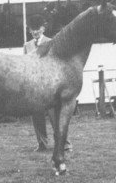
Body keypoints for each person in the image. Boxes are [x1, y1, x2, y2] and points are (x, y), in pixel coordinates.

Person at [24, 14, 72, 151]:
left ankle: (65, 144)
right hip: (35, 87)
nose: (35, 31)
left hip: (50, 86)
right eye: (32, 29)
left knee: (55, 117)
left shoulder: (52, 42)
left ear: (43, 28)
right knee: (37, 117)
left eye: (37, 28)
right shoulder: (27, 46)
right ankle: (42, 144)